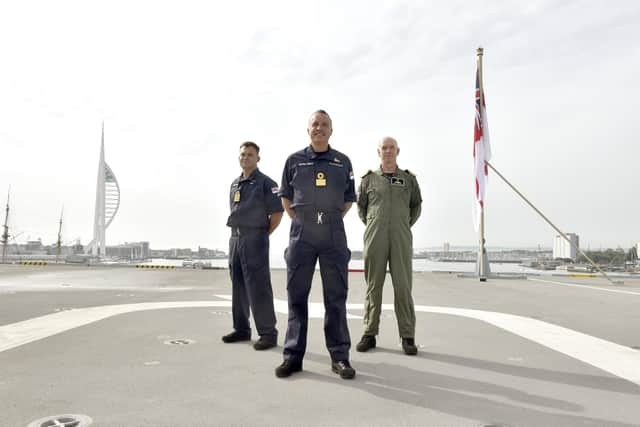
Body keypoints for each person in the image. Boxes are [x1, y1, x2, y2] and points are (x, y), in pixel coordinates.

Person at [275, 110, 357, 379]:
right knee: (297, 296)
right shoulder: (294, 161)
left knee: (336, 297)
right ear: (307, 130)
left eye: (324, 125)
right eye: (315, 125)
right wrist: (304, 221)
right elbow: (286, 198)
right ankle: (293, 357)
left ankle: (340, 357)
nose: (319, 129)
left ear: (331, 131)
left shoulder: (342, 162)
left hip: (333, 232)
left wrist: (327, 220)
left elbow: (347, 200)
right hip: (303, 232)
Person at [356, 136, 422, 355]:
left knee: (403, 286)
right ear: (379, 152)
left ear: (398, 151)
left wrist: (402, 225)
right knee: (373, 285)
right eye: (384, 148)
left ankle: (407, 336)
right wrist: (376, 225)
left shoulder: (408, 180)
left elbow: (416, 207)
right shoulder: (368, 179)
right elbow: (362, 209)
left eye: (391, 148)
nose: (388, 151)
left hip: (401, 237)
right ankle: (369, 333)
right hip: (375, 236)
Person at [223, 141, 283, 351]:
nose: (245, 158)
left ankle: (268, 333)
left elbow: (277, 213)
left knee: (258, 286)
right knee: (237, 285)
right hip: (235, 239)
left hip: (255, 239)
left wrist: (262, 234)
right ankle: (242, 329)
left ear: (258, 158)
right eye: (242, 154)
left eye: (250, 155)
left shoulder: (266, 183)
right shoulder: (234, 184)